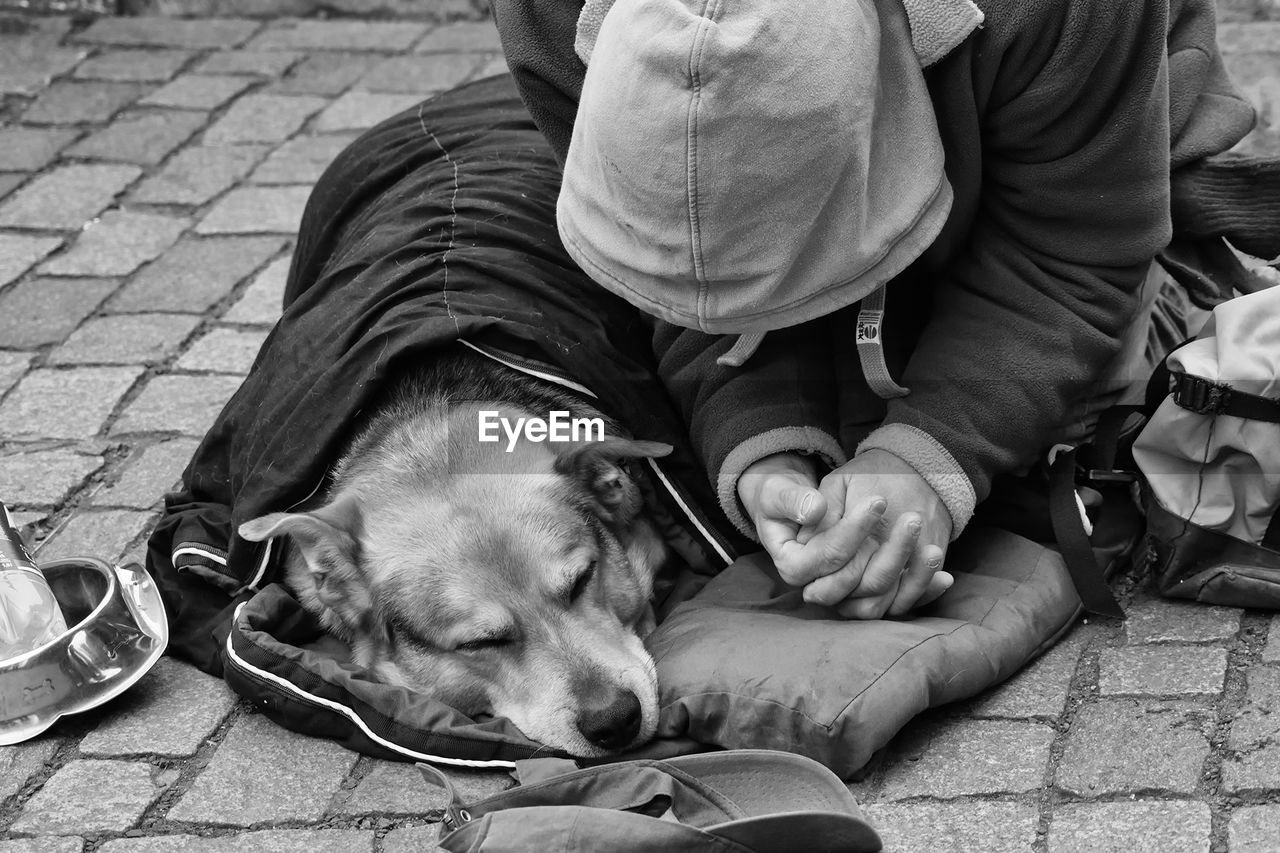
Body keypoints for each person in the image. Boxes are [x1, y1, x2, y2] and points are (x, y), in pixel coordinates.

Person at [490, 0, 1258, 618]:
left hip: (1080, 140)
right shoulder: (546, 18)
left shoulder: (1061, 15)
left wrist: (928, 458)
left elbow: (1072, 251)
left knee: (1102, 384)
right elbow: (680, 271)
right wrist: (759, 440)